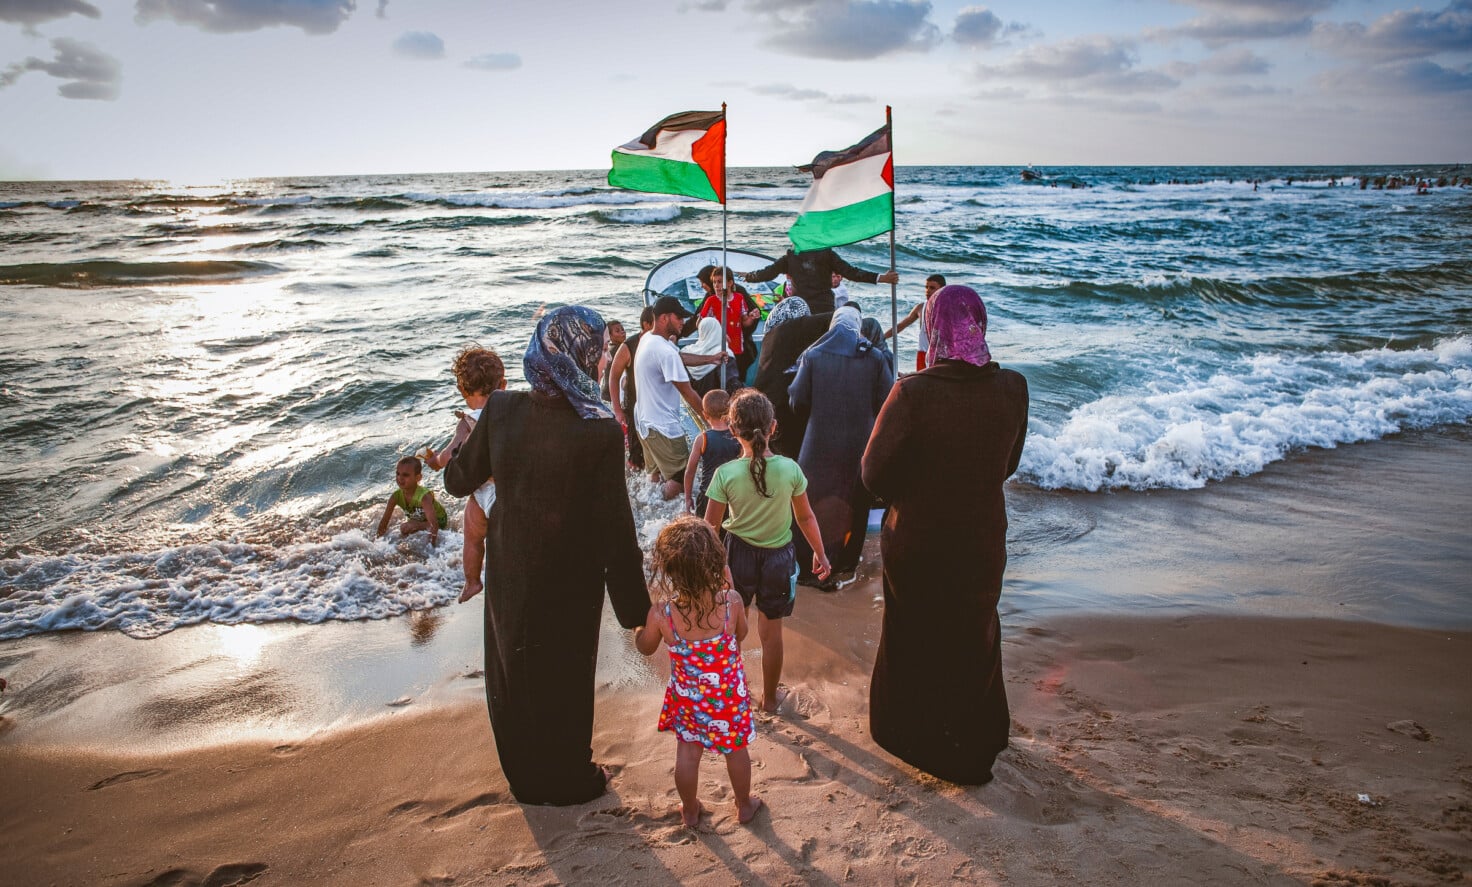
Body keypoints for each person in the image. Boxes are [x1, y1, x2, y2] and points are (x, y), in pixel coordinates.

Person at [444, 305, 650, 806]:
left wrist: (464, 444)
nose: (602, 361)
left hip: (511, 569)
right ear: (578, 358)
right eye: (599, 352)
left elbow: (456, 481)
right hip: (570, 578)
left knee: (514, 669)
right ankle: (569, 776)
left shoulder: (500, 410)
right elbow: (615, 532)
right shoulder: (600, 431)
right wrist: (638, 615)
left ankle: (525, 778)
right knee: (565, 674)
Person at [860, 285, 1028, 786]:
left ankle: (916, 737)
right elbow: (1008, 464)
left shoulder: (913, 392)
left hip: (919, 540)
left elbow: (872, 474)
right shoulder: (1014, 387)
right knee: (974, 631)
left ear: (931, 329)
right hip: (981, 537)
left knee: (917, 632)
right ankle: (978, 737)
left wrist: (913, 491)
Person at [703, 390, 830, 713]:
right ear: (773, 427)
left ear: (732, 431)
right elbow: (805, 516)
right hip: (779, 559)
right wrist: (820, 552)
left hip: (737, 557)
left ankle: (732, 694)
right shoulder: (790, 469)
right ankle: (770, 699)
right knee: (772, 634)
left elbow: (710, 529)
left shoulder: (725, 474)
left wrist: (713, 570)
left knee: (732, 628)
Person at [634, 516, 762, 828]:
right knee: (736, 750)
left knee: (688, 754)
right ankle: (744, 805)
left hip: (688, 698)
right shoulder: (731, 602)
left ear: (669, 569)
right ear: (718, 560)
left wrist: (641, 623)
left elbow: (645, 647)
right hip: (728, 696)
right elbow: (741, 635)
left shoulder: (663, 614)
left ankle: (690, 810)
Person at [788, 306, 894, 587]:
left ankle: (808, 570)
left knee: (810, 501)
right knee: (853, 503)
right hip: (858, 445)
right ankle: (844, 567)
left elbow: (797, 401)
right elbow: (886, 401)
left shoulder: (813, 355)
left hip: (818, 442)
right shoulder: (873, 357)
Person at [422, 346, 506, 603]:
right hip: (507, 491)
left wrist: (433, 461)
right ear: (503, 385)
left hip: (481, 495)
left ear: (462, 390)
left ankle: (472, 582)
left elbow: (448, 456)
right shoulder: (509, 413)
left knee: (472, 538)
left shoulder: (467, 422)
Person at [634, 296, 706, 500]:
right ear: (664, 318)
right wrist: (712, 422)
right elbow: (688, 392)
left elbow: (680, 357)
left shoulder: (648, 339)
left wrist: (711, 358)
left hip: (643, 421)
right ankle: (659, 508)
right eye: (679, 317)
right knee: (682, 479)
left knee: (655, 475)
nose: (683, 321)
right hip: (663, 427)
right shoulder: (665, 351)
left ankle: (644, 505)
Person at [751, 297, 829, 459]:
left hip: (764, 413)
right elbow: (837, 317)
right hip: (783, 416)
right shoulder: (791, 330)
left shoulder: (772, 337)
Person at [742, 247, 898, 314]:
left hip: (800, 309)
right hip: (824, 309)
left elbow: (767, 274)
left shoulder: (790, 257)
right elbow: (851, 272)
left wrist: (748, 276)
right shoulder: (827, 254)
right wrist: (881, 278)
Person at [696, 266, 762, 384]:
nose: (716, 285)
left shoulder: (739, 298)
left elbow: (745, 322)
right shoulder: (710, 300)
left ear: (730, 283)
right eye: (714, 282)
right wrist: (718, 332)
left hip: (737, 347)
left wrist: (752, 317)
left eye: (720, 282)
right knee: (721, 380)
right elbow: (700, 324)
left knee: (738, 379)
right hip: (718, 348)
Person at [683, 389, 741, 516]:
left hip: (708, 494)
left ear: (705, 415)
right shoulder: (738, 436)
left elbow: (690, 471)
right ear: (730, 412)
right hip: (732, 495)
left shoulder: (702, 439)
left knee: (707, 533)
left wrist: (688, 498)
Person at [609, 307, 655, 470]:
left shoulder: (660, 341)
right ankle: (636, 489)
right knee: (637, 456)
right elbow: (613, 377)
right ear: (646, 324)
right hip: (634, 405)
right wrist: (617, 410)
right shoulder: (629, 346)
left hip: (655, 405)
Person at [375, 456, 446, 544]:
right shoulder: (395, 496)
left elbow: (434, 525)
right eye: (398, 473)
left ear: (418, 478)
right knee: (404, 532)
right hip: (420, 519)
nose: (400, 478)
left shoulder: (424, 497)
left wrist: (431, 547)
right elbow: (384, 522)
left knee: (408, 527)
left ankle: (417, 525)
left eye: (405, 475)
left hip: (439, 521)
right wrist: (377, 543)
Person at [885, 274, 945, 371]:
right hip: (923, 352)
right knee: (922, 384)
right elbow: (901, 326)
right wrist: (882, 337)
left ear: (942, 290)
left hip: (940, 355)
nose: (928, 291)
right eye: (926, 287)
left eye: (932, 288)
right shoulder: (920, 307)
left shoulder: (947, 309)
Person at [682, 317, 738, 398]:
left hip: (695, 403)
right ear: (718, 330)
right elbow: (732, 385)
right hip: (716, 404)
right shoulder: (724, 354)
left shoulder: (687, 352)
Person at [600, 320, 626, 401]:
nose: (622, 332)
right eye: (617, 331)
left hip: (605, 392)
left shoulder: (610, 347)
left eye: (622, 329)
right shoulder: (618, 349)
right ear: (610, 336)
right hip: (610, 395)